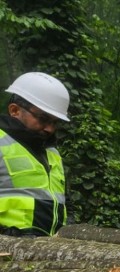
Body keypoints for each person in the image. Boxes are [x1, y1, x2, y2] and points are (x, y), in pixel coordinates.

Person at [0, 72, 70, 237]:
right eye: (43, 119)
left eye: (54, 122)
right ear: (15, 110)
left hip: (47, 254)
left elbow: (65, 203)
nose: (50, 129)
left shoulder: (52, 153)